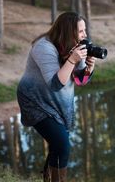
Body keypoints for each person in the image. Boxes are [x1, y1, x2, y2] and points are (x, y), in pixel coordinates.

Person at [17, 11, 96, 182]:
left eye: (84, 30)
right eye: (81, 31)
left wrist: (89, 68)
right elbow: (55, 83)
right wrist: (71, 60)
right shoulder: (43, 47)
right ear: (69, 31)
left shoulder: (74, 46)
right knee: (62, 144)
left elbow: (79, 79)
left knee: (57, 144)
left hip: (58, 102)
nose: (85, 35)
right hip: (35, 100)